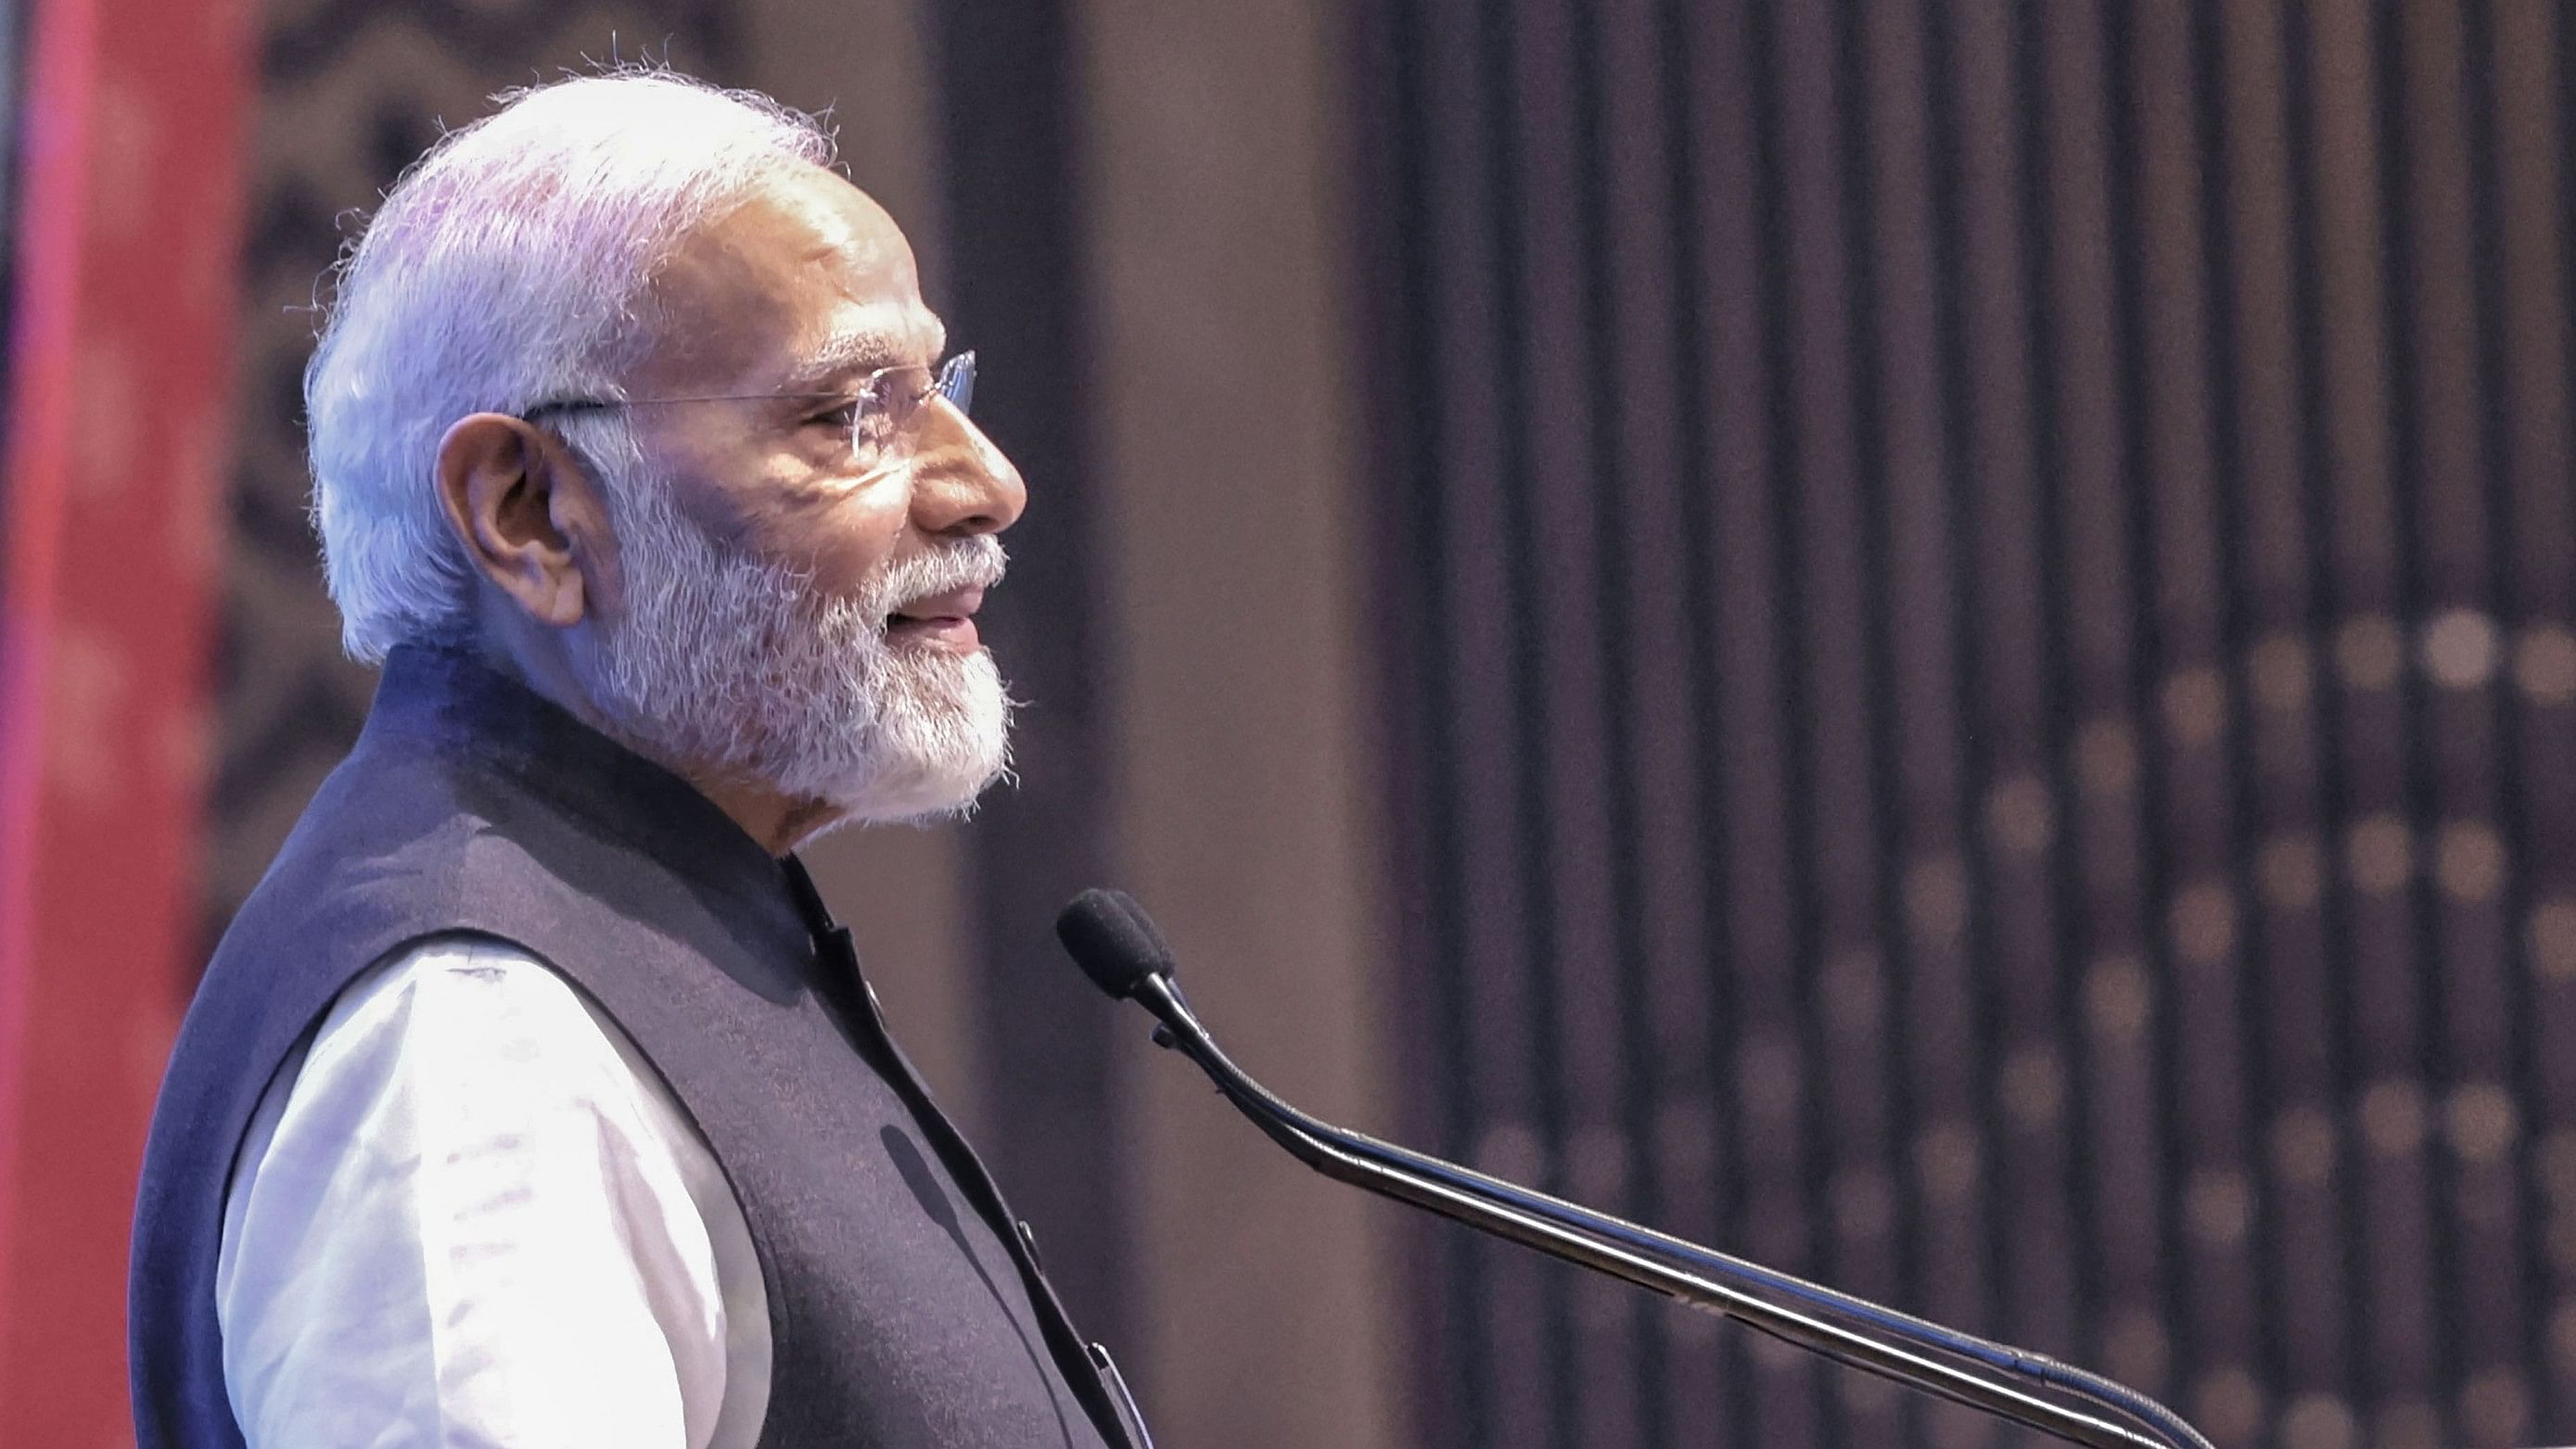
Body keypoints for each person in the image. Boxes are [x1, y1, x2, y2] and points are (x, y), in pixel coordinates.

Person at [128, 70, 1147, 1449]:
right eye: (851, 412)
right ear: (530, 511)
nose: (986, 482)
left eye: (936, 389)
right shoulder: (472, 1044)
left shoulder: (641, 922)